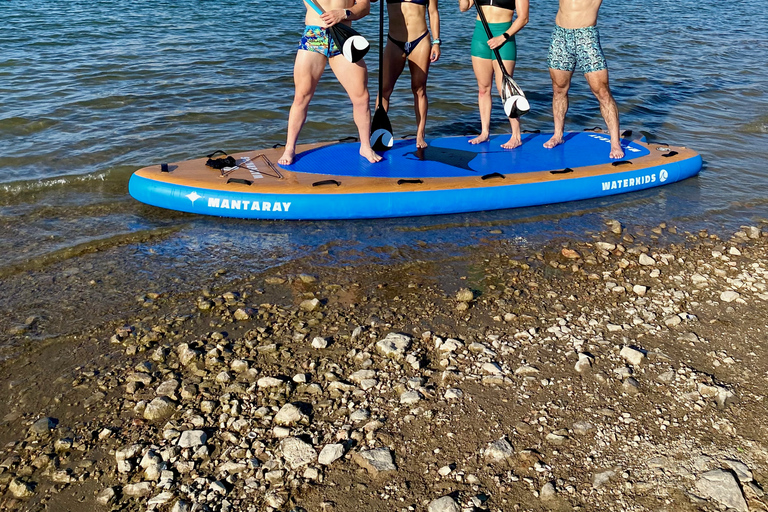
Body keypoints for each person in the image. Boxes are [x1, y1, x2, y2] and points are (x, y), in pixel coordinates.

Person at [279, 0, 382, 165]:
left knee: (361, 97)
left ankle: (365, 146)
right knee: (302, 96)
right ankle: (290, 147)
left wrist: (344, 13)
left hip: (342, 36)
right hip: (314, 36)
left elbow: (365, 7)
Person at [543, 0, 624, 158]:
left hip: (586, 36)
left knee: (602, 92)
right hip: (560, 35)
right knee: (559, 89)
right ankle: (558, 135)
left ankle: (615, 143)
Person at [459, 0, 529, 149]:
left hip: (504, 38)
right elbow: (464, 7)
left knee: (504, 88)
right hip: (480, 36)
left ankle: (516, 136)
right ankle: (484, 132)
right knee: (483, 88)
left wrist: (503, 37)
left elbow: (523, 18)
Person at [380, 0, 441, 149]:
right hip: (394, 41)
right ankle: (378, 132)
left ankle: (420, 134)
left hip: (420, 40)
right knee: (384, 89)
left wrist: (436, 42)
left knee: (419, 88)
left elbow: (433, 12)